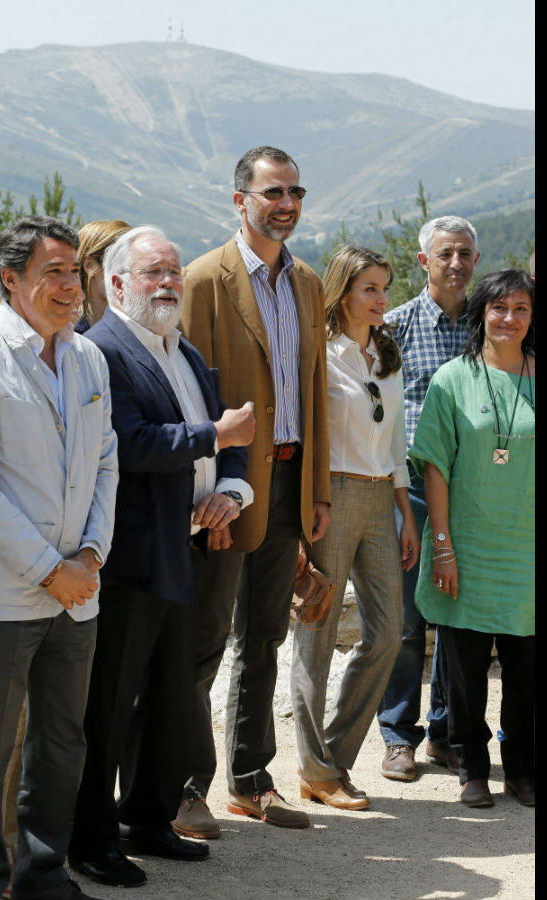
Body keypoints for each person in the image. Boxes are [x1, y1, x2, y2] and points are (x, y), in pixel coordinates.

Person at [0, 214, 120, 900]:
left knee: (62, 740)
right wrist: (51, 568)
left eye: (75, 271)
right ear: (11, 280)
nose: (71, 285)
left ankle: (42, 873)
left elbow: (107, 461)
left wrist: (92, 553)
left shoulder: (88, 357)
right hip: (6, 592)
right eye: (53, 272)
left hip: (80, 587)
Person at [69, 225, 257, 887]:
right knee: (109, 705)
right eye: (154, 272)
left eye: (173, 270)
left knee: (171, 698)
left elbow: (232, 440)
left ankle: (147, 820)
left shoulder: (185, 349)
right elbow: (130, 443)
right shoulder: (102, 351)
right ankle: (91, 841)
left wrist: (232, 490)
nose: (169, 282)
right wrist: (215, 436)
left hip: (185, 551)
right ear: (117, 282)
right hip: (126, 557)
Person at [176, 146, 331, 834]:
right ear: (240, 200)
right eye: (274, 192)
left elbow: (314, 392)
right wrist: (204, 493)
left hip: (291, 479)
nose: (287, 203)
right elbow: (188, 396)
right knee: (204, 639)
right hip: (228, 487)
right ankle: (183, 787)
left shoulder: (308, 284)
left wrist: (317, 489)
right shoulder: (203, 280)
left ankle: (250, 779)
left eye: (295, 191)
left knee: (264, 636)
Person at [288, 245, 418, 811]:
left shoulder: (387, 354)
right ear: (342, 293)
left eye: (385, 288)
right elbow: (303, 435)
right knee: (316, 633)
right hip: (331, 496)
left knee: (389, 632)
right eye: (370, 288)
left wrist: (406, 514)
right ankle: (315, 770)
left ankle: (334, 758)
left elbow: (395, 442)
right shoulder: (318, 350)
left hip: (381, 499)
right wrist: (304, 510)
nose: (382, 298)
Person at [408, 268, 535, 810]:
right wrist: (443, 546)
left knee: (527, 669)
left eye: (522, 308)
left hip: (527, 549)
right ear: (481, 312)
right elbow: (434, 466)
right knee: (464, 669)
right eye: (499, 307)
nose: (510, 318)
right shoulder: (451, 379)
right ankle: (472, 766)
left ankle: (522, 769)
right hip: (467, 545)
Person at [375, 215, 481, 781]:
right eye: (445, 254)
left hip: (476, 488)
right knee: (407, 615)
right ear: (424, 262)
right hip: (411, 487)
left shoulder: (488, 324)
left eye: (465, 253)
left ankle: (446, 733)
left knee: (457, 614)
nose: (456, 263)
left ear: (476, 260)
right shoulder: (395, 326)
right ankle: (398, 735)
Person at [75, 219, 131, 331]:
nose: (132, 275)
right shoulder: (63, 335)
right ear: (90, 266)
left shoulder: (141, 332)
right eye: (122, 263)